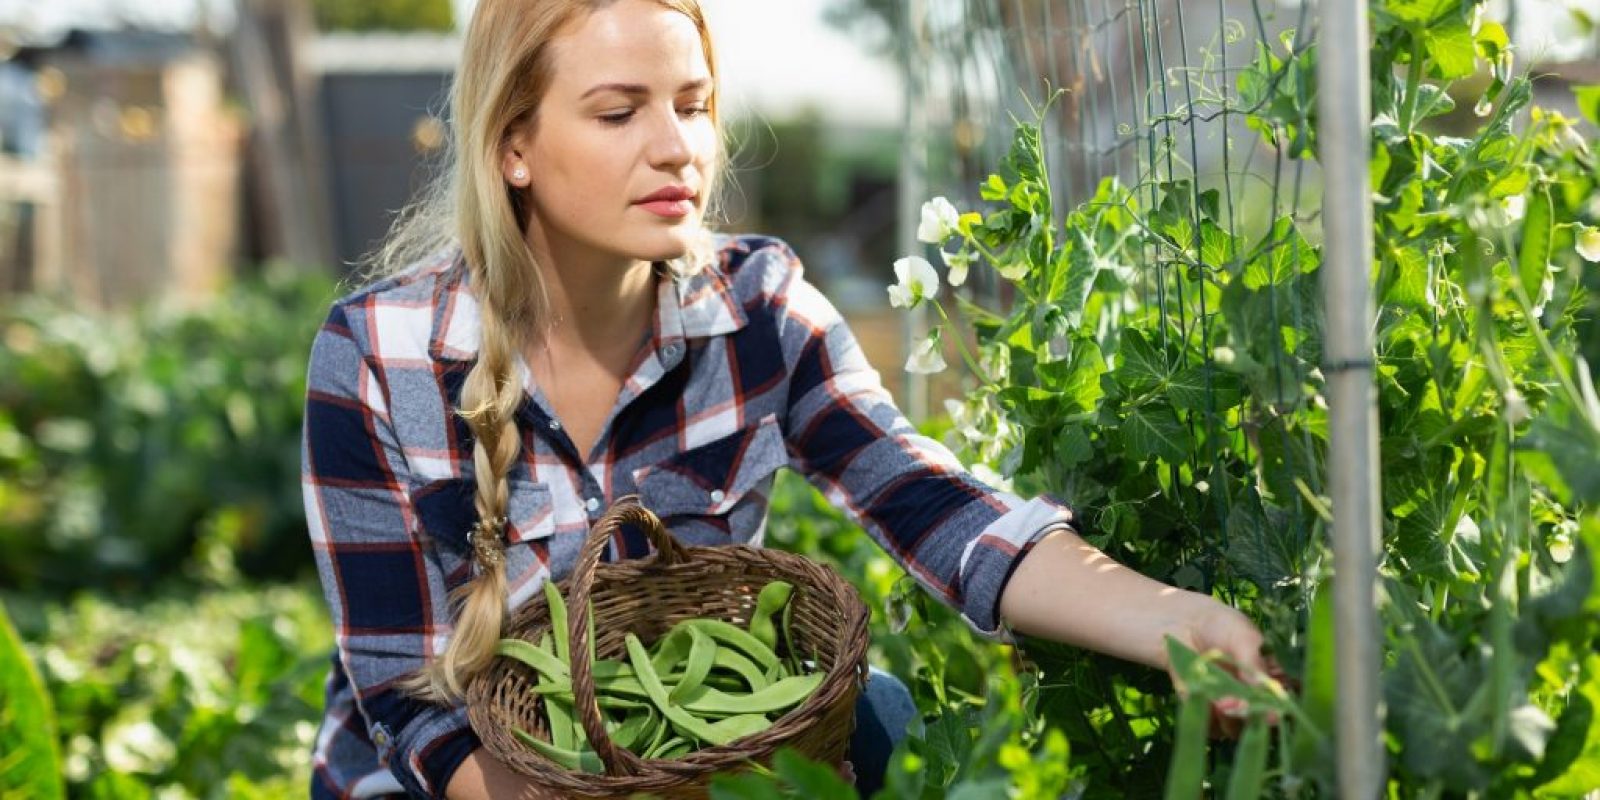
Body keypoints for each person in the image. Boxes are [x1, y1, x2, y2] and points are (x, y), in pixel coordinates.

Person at [299, 0, 1274, 797]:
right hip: (459, 778)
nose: (675, 146)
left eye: (692, 104)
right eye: (617, 111)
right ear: (514, 144)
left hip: (682, 768)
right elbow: (401, 692)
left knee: (878, 711)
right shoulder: (379, 355)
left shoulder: (757, 311)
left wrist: (1172, 619)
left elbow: (932, 504)